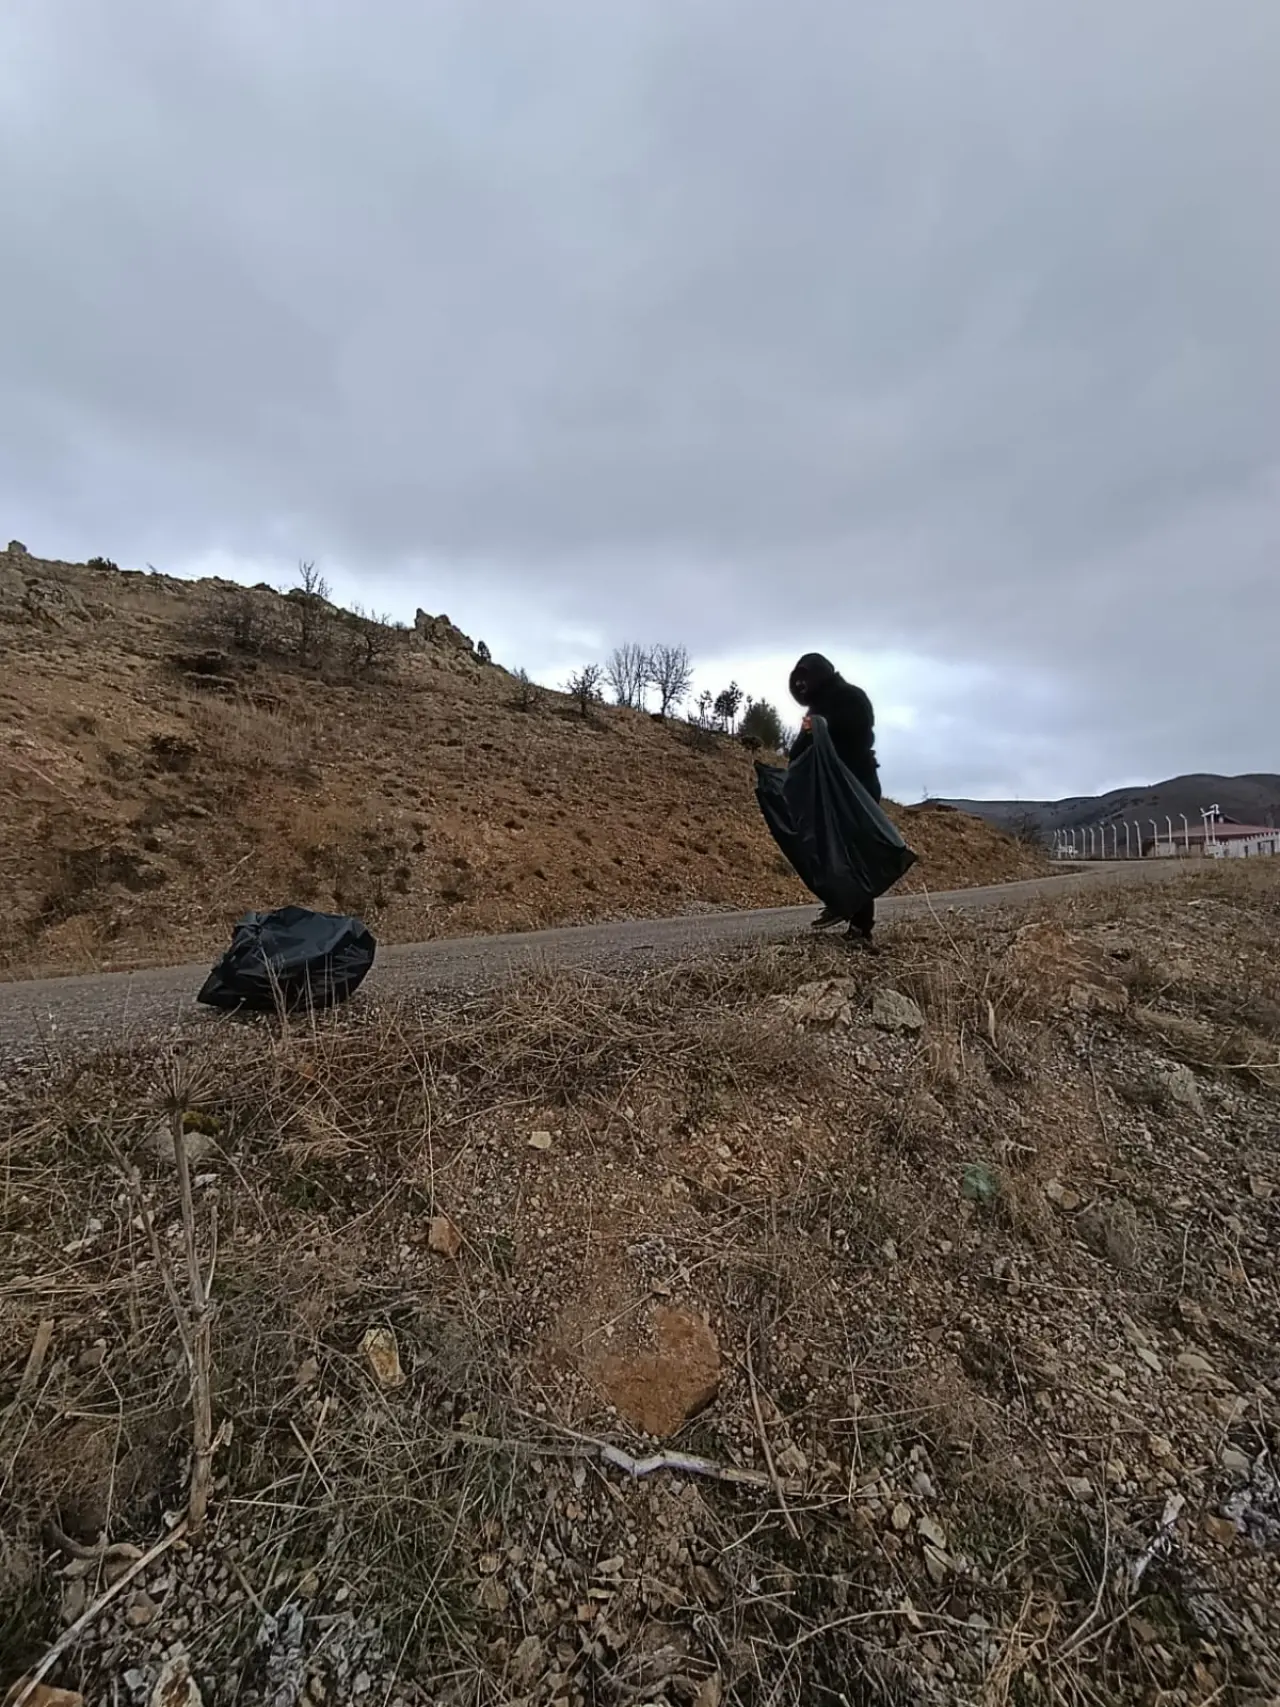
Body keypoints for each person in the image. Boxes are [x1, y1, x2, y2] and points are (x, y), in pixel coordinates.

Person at [788, 652, 881, 946]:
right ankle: (841, 902)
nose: (801, 685)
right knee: (827, 850)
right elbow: (802, 747)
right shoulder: (816, 709)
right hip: (830, 791)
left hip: (858, 787)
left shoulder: (851, 698)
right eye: (797, 681)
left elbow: (862, 735)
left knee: (855, 855)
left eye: (806, 678)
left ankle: (860, 927)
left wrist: (824, 725)